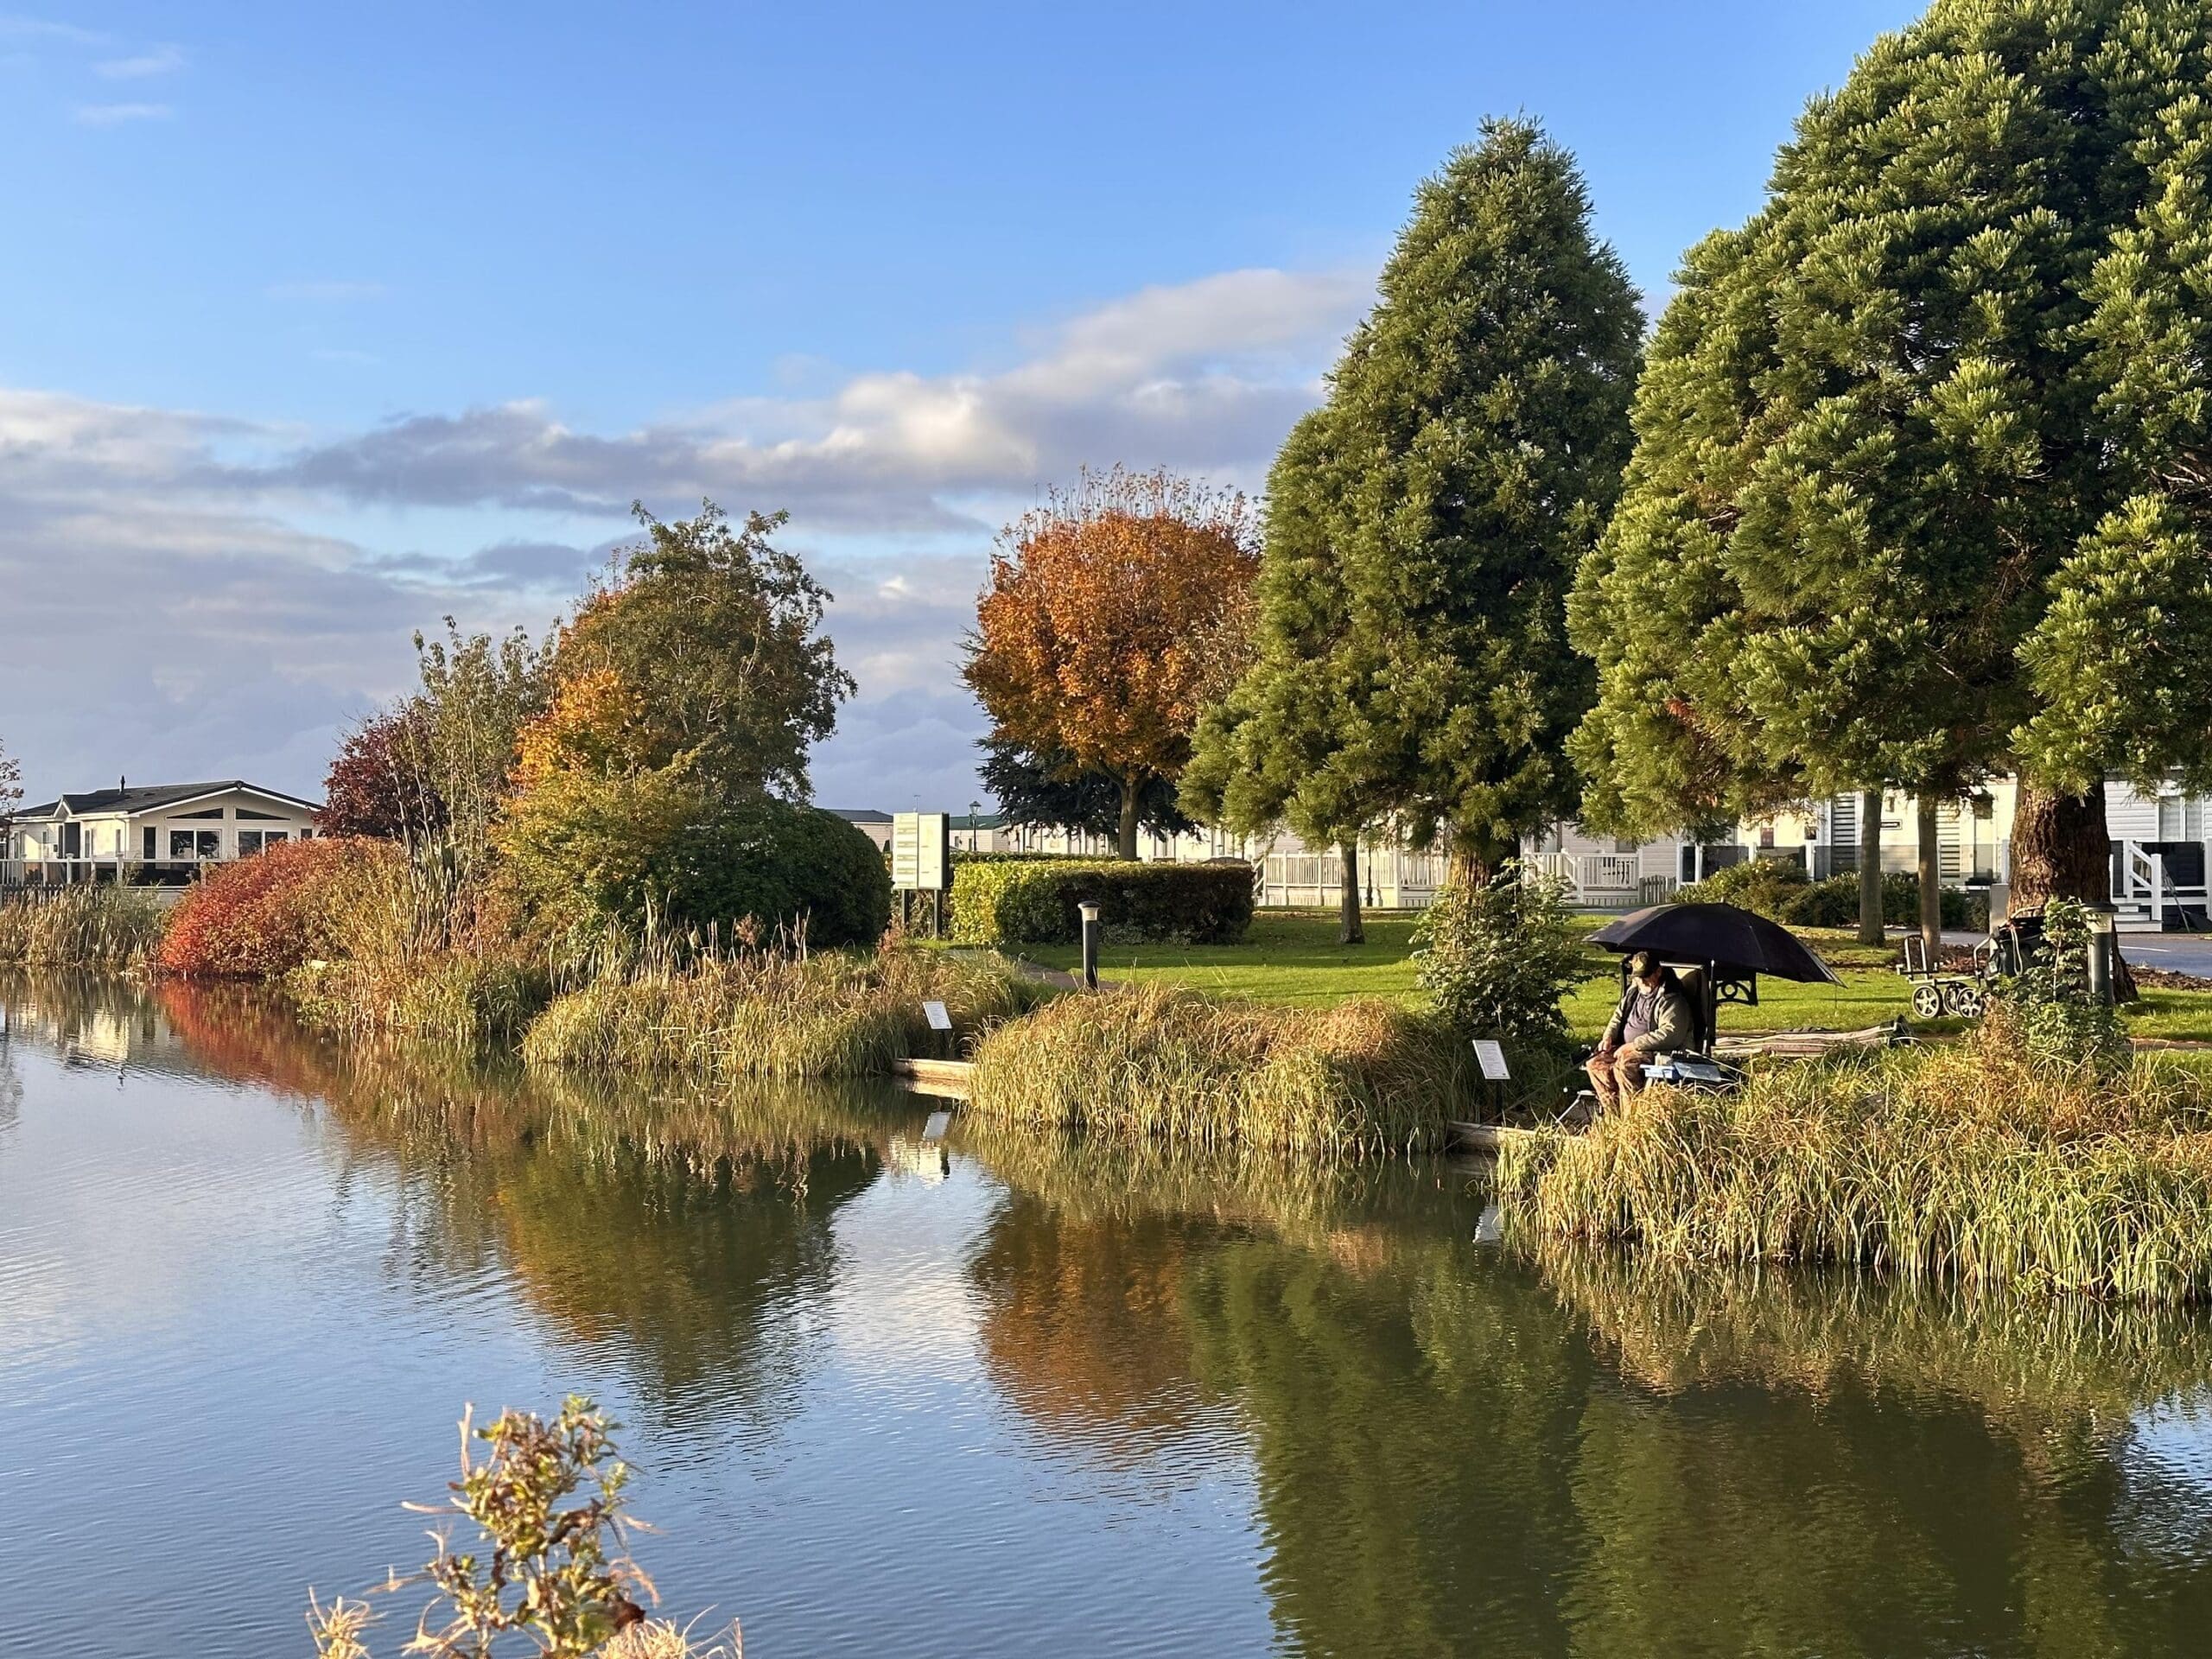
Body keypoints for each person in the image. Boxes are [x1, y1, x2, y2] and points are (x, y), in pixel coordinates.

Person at [1586, 950, 1694, 1112]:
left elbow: (1671, 1034)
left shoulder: (1672, 999)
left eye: (1646, 976)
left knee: (1624, 1067)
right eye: (1638, 976)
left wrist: (1634, 1045)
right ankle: (1614, 1116)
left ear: (1658, 972)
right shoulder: (1634, 991)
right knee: (1595, 1065)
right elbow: (1618, 1017)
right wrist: (1608, 1037)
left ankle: (1633, 1118)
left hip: (1655, 1051)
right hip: (1624, 1048)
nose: (1642, 981)